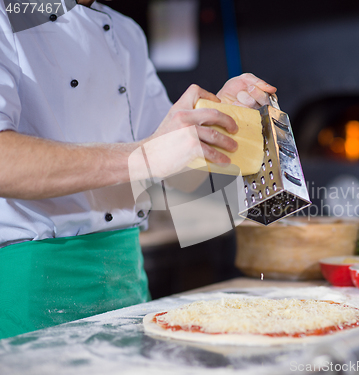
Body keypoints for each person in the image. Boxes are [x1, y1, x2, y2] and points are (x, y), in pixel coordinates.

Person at [0, 0, 276, 339]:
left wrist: (223, 121)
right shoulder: (8, 14)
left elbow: (171, 172)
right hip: (33, 291)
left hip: (126, 280)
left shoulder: (126, 32)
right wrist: (143, 156)